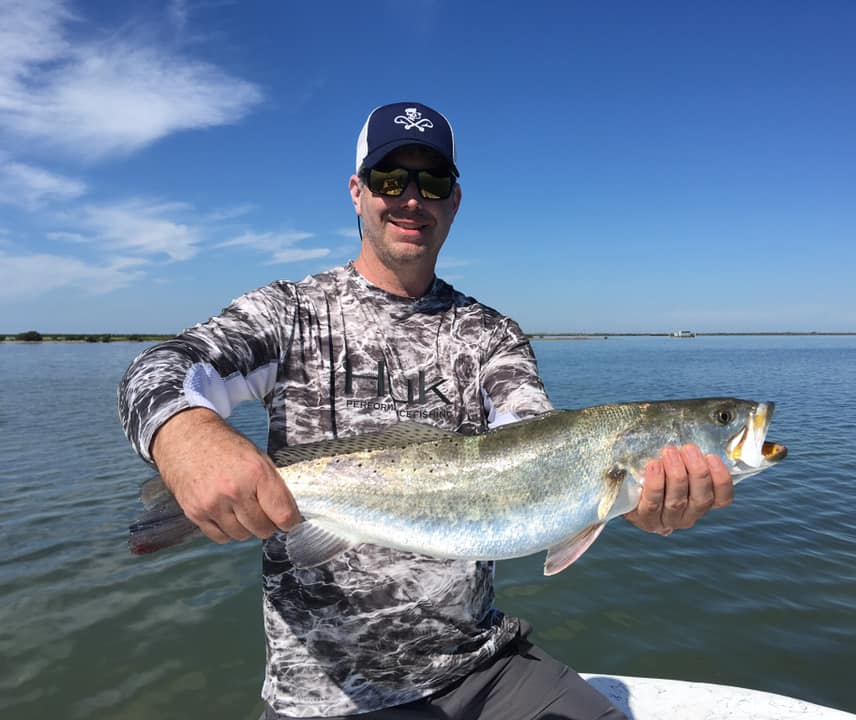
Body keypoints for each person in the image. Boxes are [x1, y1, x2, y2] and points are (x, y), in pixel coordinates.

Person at [118, 101, 734, 719]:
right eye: (390, 179)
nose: (411, 199)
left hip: (483, 666)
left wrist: (630, 498)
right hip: (327, 694)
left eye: (432, 182)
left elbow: (534, 440)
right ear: (357, 192)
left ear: (454, 201)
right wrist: (188, 439)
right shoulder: (291, 313)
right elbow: (161, 368)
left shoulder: (491, 334)